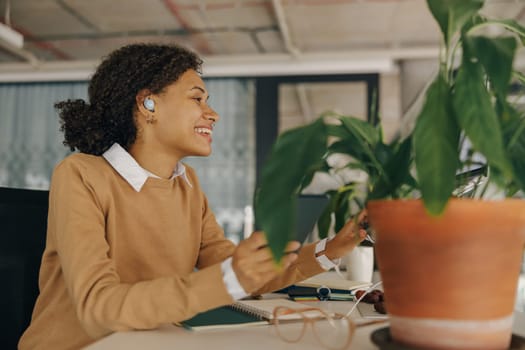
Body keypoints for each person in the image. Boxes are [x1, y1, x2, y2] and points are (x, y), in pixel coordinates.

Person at [18, 43, 366, 350]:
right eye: (197, 98)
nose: (212, 114)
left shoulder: (188, 184)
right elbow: (99, 306)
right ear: (147, 103)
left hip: (150, 341)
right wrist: (229, 279)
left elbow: (240, 273)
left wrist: (329, 250)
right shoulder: (81, 174)